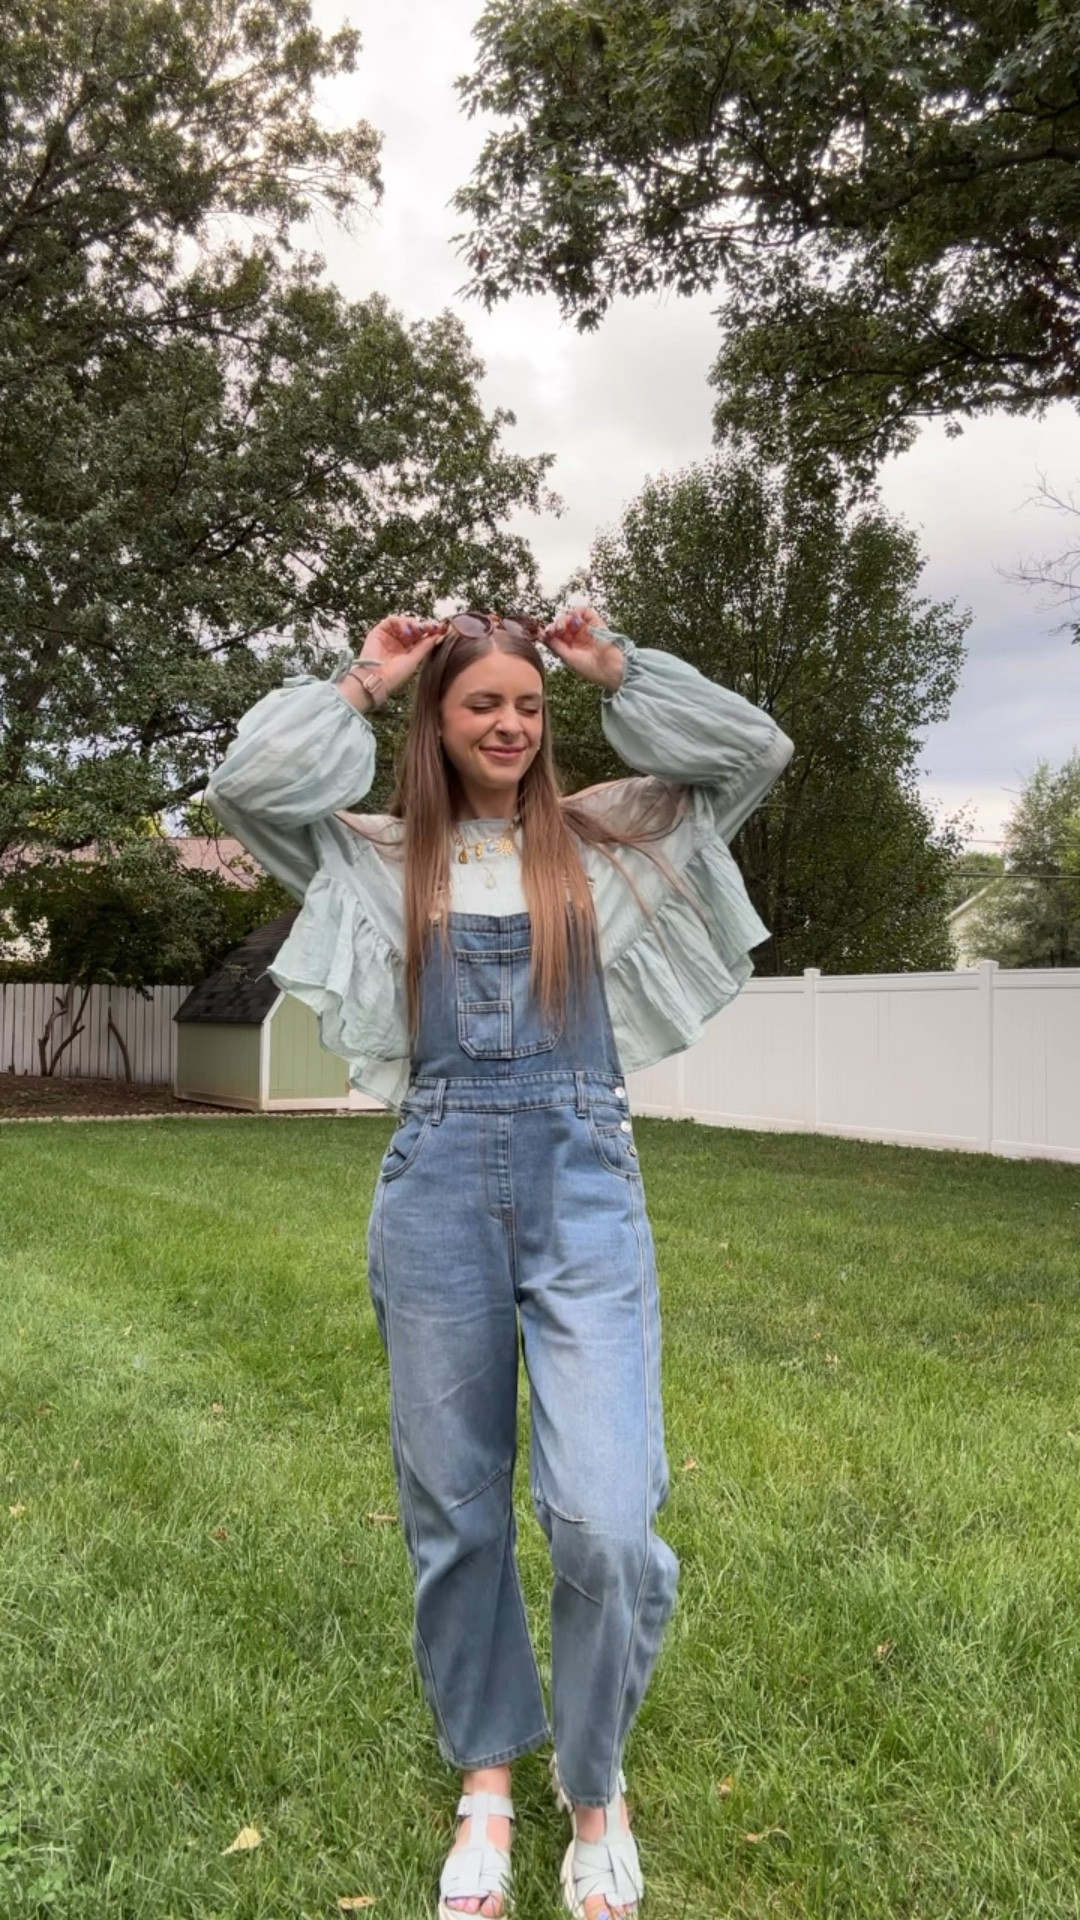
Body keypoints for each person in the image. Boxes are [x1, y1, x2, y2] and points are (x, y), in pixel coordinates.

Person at [207, 607, 793, 1920]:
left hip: (585, 1188)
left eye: (529, 705)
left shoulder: (609, 839)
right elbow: (245, 790)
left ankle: (597, 1785)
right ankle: (487, 1778)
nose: (512, 726)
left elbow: (750, 755)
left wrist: (622, 671)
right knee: (455, 1501)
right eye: (483, 705)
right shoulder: (372, 858)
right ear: (441, 720)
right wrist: (362, 677)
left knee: (606, 1518)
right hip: (436, 1190)